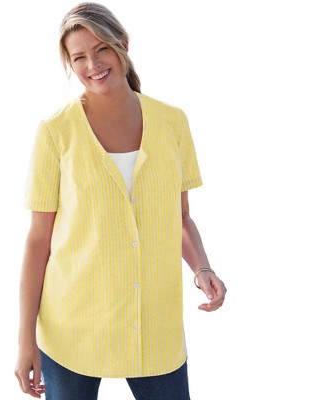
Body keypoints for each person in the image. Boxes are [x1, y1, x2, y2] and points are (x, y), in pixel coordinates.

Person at [14, 2, 227, 399]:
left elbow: (180, 218)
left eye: (102, 49)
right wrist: (25, 339)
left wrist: (202, 268)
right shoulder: (55, 133)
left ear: (123, 46)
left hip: (155, 327)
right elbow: (38, 241)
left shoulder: (173, 123)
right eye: (79, 57)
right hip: (71, 329)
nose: (93, 64)